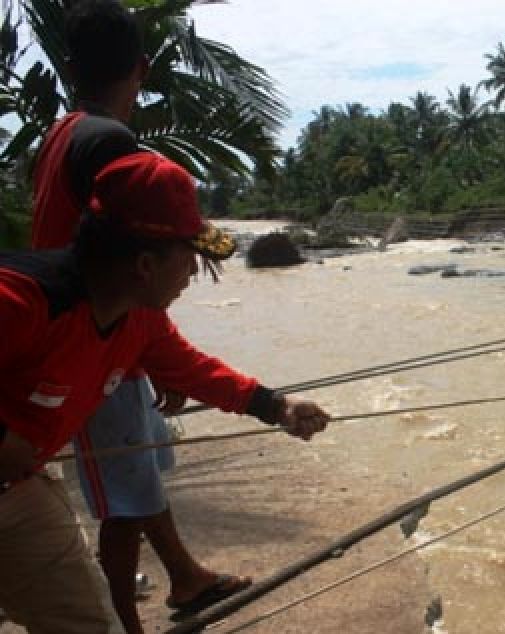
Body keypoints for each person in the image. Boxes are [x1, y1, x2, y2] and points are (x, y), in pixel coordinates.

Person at [0, 151, 332, 633]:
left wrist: (278, 406)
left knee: (88, 623)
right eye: (190, 258)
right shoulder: (22, 299)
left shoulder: (139, 317)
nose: (195, 274)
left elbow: (194, 370)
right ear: (144, 264)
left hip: (19, 490)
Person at [29, 2, 252, 631]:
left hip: (94, 329)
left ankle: (184, 575)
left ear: (70, 68)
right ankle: (127, 623)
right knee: (124, 497)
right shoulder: (112, 144)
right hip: (90, 338)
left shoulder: (63, 133)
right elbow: (124, 252)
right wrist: (147, 349)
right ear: (144, 67)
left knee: (141, 470)